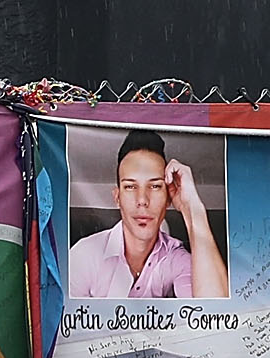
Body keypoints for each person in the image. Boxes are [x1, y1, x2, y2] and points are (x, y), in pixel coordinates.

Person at [68, 128, 227, 299]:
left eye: (155, 186)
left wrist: (193, 210)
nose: (142, 200)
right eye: (130, 186)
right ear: (117, 197)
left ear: (168, 198)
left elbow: (214, 314)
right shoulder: (84, 254)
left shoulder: (176, 257)